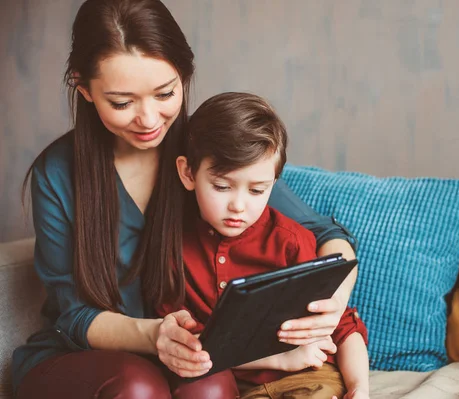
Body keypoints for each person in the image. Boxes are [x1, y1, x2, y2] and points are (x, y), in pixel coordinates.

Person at [13, 1, 358, 398]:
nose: (149, 119)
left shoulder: (207, 153)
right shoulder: (57, 175)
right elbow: (72, 316)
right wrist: (155, 334)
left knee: (209, 387)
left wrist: (335, 298)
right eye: (122, 103)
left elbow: (325, 233)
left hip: (189, 354)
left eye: (165, 93)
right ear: (84, 88)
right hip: (81, 355)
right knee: (138, 387)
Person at [159, 92, 370, 399]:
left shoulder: (291, 242)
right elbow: (193, 349)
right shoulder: (172, 249)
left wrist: (360, 388)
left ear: (274, 182)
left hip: (308, 378)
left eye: (257, 190)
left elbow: (344, 326)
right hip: (234, 385)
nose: (238, 206)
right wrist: (281, 358)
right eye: (221, 186)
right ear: (188, 173)